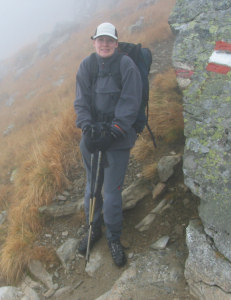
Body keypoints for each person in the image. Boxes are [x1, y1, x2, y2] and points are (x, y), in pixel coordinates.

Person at [74, 22, 142, 267]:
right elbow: (80, 102)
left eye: (109, 40)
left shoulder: (127, 66)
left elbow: (131, 103)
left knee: (111, 193)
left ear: (116, 43)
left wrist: (113, 132)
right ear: (94, 41)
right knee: (92, 187)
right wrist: (87, 127)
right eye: (100, 40)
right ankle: (93, 228)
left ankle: (113, 237)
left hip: (118, 138)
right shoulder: (87, 66)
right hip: (92, 137)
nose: (104, 44)